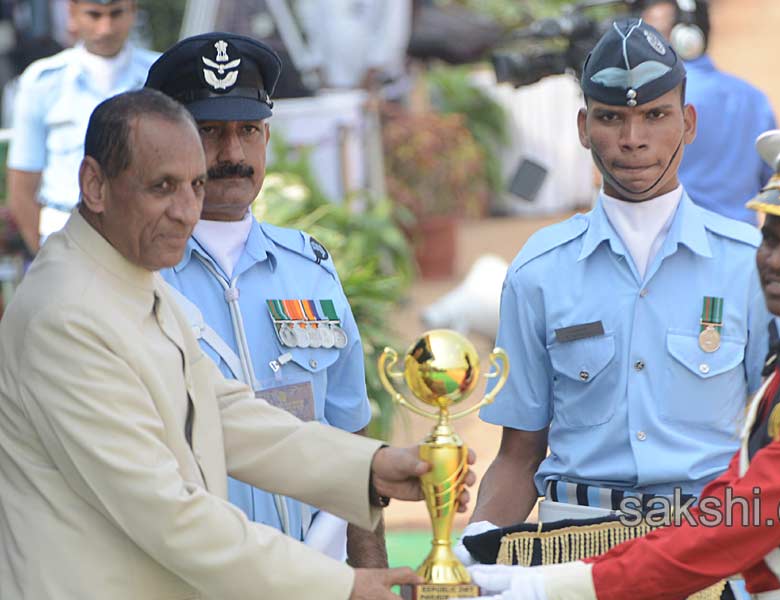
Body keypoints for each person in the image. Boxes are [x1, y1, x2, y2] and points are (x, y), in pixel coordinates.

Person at [0, 88, 478, 600]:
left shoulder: (130, 277)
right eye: (162, 187)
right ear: (94, 185)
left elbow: (223, 412)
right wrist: (339, 585)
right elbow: (166, 512)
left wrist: (369, 468)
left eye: (195, 185)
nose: (187, 211)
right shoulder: (67, 316)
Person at [465, 129, 780, 600]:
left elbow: (736, 524)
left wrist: (556, 586)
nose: (778, 261)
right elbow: (721, 508)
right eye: (772, 240)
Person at [462, 18, 771, 598]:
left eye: (655, 114)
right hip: (572, 555)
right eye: (611, 117)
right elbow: (519, 453)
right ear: (584, 127)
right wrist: (476, 546)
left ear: (689, 122)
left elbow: (778, 442)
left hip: (705, 553)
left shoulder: (749, 266)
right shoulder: (539, 271)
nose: (633, 138)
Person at [144, 31, 387, 566]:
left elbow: (350, 434)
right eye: (209, 131)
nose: (232, 154)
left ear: (267, 138)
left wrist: (370, 573)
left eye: (248, 130)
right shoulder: (141, 277)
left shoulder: (308, 271)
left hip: (309, 572)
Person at [5, 0, 157, 253]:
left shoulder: (158, 75)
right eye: (94, 14)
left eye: (116, 13)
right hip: (65, 237)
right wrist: (47, 257)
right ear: (72, 12)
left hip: (142, 239)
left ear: (133, 11)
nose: (106, 28)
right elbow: (21, 189)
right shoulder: (43, 82)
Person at [638, 0, 777, 225]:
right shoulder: (753, 98)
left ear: (687, 39)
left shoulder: (649, 99)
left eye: (652, 34)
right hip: (741, 248)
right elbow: (772, 183)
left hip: (670, 246)